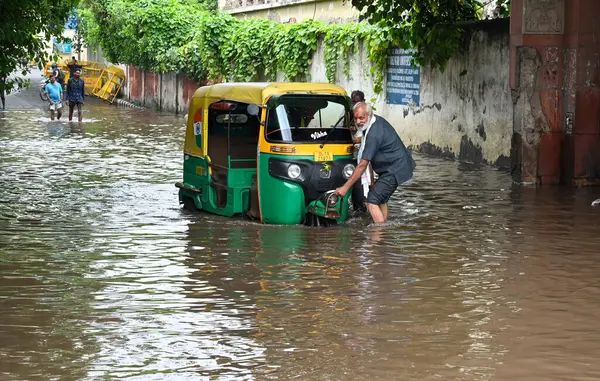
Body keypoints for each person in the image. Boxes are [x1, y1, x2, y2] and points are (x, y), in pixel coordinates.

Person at [335, 102, 415, 224]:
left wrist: (345, 187)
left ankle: (379, 235)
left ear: (369, 115)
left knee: (372, 201)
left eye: (361, 118)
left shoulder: (373, 133)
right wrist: (371, 182)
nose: (358, 121)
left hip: (395, 168)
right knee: (380, 198)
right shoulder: (373, 122)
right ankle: (383, 227)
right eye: (356, 118)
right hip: (393, 166)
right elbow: (370, 160)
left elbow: (363, 164)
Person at [349, 90, 368, 213]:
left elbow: (368, 136)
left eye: (359, 102)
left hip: (363, 156)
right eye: (355, 102)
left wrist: (357, 139)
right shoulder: (348, 114)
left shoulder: (366, 115)